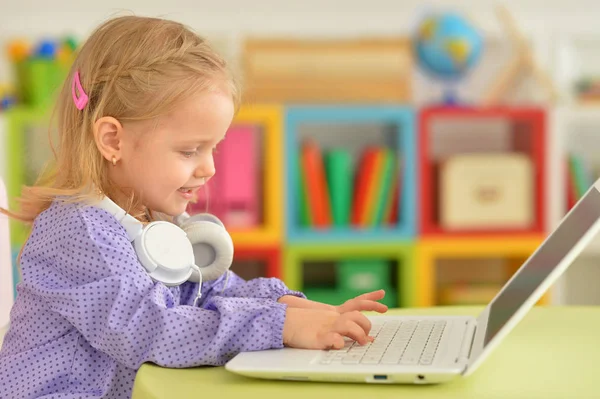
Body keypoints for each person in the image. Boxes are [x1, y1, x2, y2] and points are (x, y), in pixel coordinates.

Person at [0, 15, 388, 398]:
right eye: (189, 150)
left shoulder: (157, 221)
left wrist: (302, 311)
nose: (210, 168)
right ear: (112, 140)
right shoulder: (78, 230)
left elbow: (213, 292)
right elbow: (149, 330)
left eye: (213, 147)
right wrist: (279, 326)